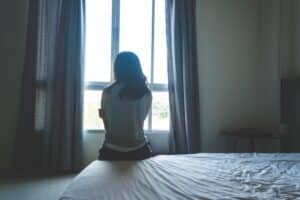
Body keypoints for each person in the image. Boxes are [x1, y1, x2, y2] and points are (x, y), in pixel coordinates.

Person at [98, 51, 153, 161]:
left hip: (112, 149)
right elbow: (140, 122)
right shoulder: (146, 93)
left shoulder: (107, 92)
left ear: (117, 68)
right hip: (138, 149)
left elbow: (107, 124)